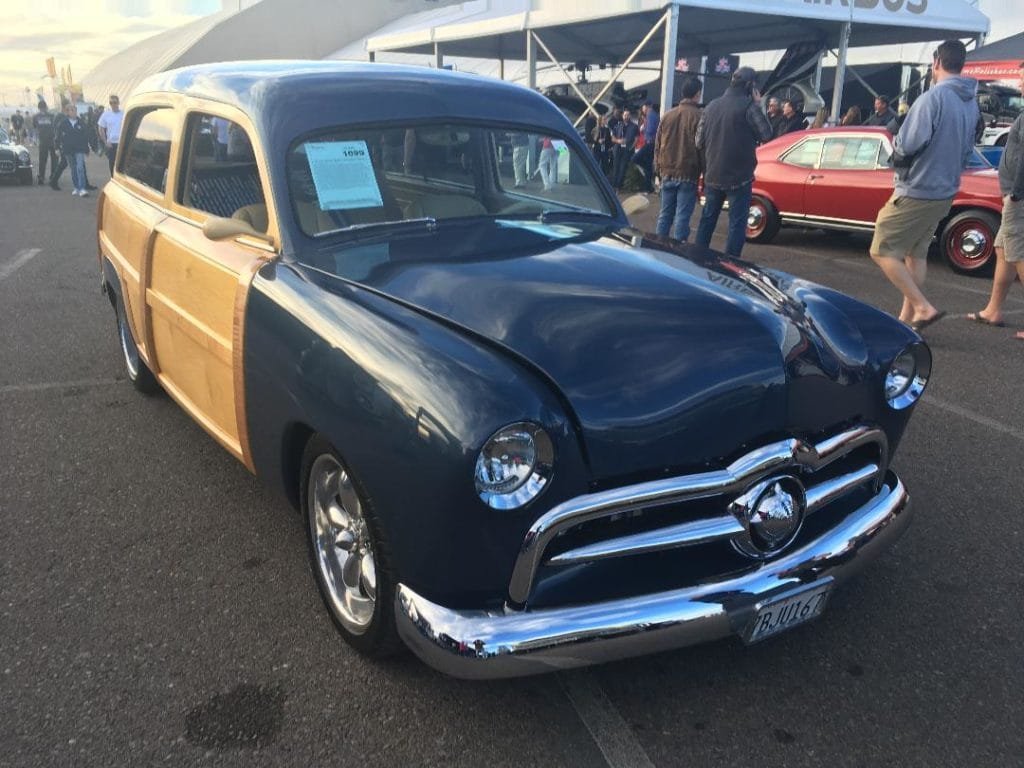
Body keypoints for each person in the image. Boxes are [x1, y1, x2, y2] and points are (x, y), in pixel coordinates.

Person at [869, 39, 979, 330]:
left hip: (918, 186)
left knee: (881, 249)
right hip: (945, 189)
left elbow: (910, 143)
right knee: (915, 252)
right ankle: (907, 322)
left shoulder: (933, 98)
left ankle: (922, 307)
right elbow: (968, 148)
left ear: (937, 63)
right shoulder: (970, 102)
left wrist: (897, 154)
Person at [966, 61, 1024, 340]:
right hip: (1015, 196)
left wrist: (1016, 192)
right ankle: (993, 310)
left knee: (1019, 254)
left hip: (1019, 198)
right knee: (1003, 250)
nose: (1021, 85)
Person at [695, 66, 773, 257]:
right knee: (737, 223)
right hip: (740, 176)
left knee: (707, 219)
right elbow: (767, 135)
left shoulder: (711, 106)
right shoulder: (750, 107)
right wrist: (759, 104)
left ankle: (697, 257)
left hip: (713, 173)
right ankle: (730, 262)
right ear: (750, 86)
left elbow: (698, 141)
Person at [653, 77, 703, 241]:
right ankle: (679, 252)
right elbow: (702, 147)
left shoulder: (667, 116)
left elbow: (657, 145)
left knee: (664, 215)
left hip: (666, 171)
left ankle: (660, 248)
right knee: (682, 218)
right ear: (697, 94)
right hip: (688, 172)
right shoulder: (699, 116)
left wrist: (657, 170)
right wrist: (704, 172)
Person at [56, 104, 91, 196]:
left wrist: (87, 149)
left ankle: (82, 188)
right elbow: (58, 136)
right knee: (73, 169)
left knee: (80, 168)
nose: (73, 112)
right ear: (67, 112)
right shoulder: (63, 123)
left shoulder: (81, 122)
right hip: (68, 149)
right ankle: (76, 187)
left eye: (74, 110)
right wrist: (57, 148)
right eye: (71, 110)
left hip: (79, 149)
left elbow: (85, 137)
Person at [632, 101, 659, 192]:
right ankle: (648, 188)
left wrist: (644, 129)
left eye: (643, 107)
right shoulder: (654, 115)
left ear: (646, 107)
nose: (642, 109)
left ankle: (650, 171)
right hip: (652, 143)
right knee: (647, 164)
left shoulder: (650, 115)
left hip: (650, 142)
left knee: (635, 158)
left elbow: (651, 129)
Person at [610, 108, 638, 189]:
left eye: (628, 115)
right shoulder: (618, 125)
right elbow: (612, 138)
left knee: (622, 168)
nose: (626, 116)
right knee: (616, 167)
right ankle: (613, 186)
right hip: (617, 149)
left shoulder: (634, 126)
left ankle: (619, 186)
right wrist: (618, 141)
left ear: (630, 116)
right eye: (625, 115)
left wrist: (631, 147)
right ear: (622, 116)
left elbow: (636, 139)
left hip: (627, 150)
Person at [97, 94, 123, 176]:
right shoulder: (106, 114)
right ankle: (113, 178)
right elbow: (100, 128)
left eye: (115, 102)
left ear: (118, 103)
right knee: (112, 163)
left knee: (121, 164)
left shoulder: (124, 114)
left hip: (121, 143)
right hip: (111, 144)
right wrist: (105, 141)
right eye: (111, 103)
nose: (113, 105)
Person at [32, 101, 57, 185]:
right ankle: (53, 176)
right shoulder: (51, 116)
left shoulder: (36, 117)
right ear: (46, 107)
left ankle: (41, 177)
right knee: (54, 159)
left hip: (42, 140)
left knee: (42, 159)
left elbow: (35, 127)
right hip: (52, 139)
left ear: (38, 108)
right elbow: (55, 127)